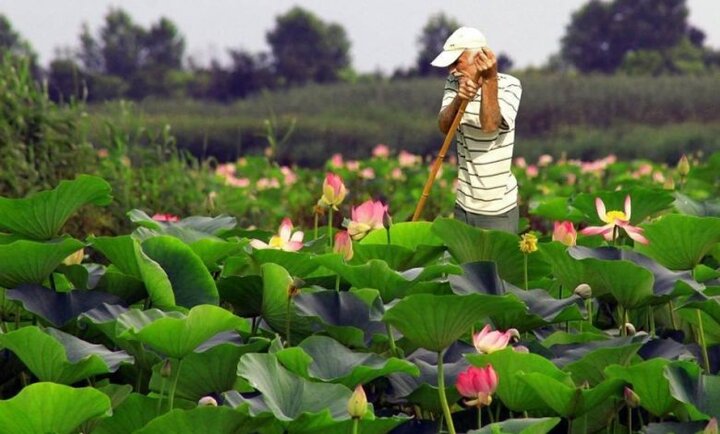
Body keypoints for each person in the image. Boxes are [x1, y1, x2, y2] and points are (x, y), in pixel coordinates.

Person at [431, 26, 522, 233]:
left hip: (499, 208)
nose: (452, 70)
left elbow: (490, 126)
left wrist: (489, 81)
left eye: (457, 62)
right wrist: (459, 99)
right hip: (463, 205)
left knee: (499, 267)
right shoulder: (454, 83)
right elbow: (444, 126)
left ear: (479, 58)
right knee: (465, 266)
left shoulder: (510, 85)